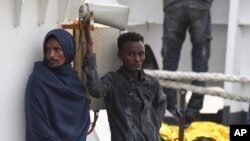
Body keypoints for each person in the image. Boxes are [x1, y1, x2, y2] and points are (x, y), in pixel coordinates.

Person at [83, 22, 167, 141]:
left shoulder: (151, 82)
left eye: (141, 54)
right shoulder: (113, 81)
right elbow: (96, 90)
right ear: (120, 55)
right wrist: (89, 45)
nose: (137, 59)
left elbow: (161, 102)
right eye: (130, 54)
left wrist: (155, 123)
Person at [25, 29, 90, 141]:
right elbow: (38, 126)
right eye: (47, 50)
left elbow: (83, 119)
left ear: (68, 50)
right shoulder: (38, 81)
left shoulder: (74, 80)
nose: (51, 55)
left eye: (57, 49)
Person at [161, 0, 213, 124]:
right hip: (200, 4)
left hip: (173, 4)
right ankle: (193, 112)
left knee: (170, 58)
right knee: (200, 57)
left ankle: (170, 109)